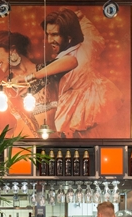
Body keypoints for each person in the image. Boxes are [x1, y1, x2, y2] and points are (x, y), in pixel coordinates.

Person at [24, 9, 121, 138]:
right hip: (96, 105)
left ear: (69, 37)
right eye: (48, 34)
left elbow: (68, 63)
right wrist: (82, 19)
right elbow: (95, 37)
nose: (49, 40)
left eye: (55, 34)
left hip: (72, 113)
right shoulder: (87, 46)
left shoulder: (61, 63)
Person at [0, 30, 51, 136]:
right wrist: (9, 141)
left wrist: (30, 77)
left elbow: (71, 61)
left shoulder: (46, 71)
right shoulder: (2, 88)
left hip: (52, 141)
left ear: (12, 49)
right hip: (21, 144)